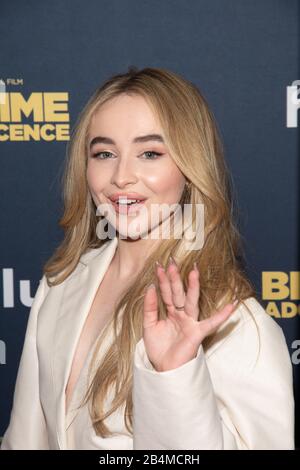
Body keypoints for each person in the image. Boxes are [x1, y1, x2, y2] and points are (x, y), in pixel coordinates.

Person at [1, 67, 294, 450]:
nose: (121, 176)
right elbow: (26, 438)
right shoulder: (61, 284)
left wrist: (175, 376)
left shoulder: (235, 323)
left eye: (150, 153)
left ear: (190, 168)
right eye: (104, 153)